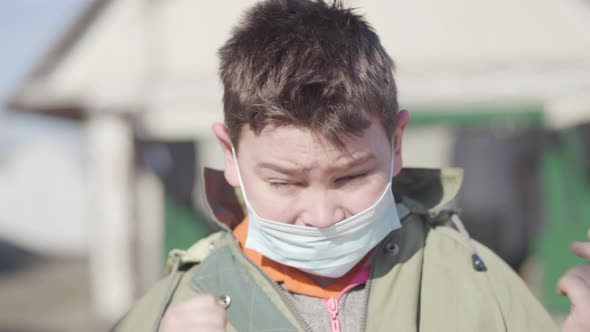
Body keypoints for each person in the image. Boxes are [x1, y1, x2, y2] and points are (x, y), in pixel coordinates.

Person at [113, 0, 585, 331]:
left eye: (352, 175)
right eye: (283, 182)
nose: (321, 216)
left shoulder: (473, 276)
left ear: (397, 144)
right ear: (229, 156)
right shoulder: (174, 308)